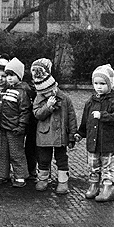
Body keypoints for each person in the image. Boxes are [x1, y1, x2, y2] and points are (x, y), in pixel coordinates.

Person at [76, 64, 114, 202]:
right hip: (93, 141)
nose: (99, 86)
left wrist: (103, 116)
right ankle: (93, 186)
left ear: (110, 84)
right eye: (96, 83)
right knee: (93, 165)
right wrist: (81, 133)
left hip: (109, 142)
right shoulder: (90, 102)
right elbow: (86, 120)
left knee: (108, 166)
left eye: (102, 83)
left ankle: (108, 189)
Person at [31, 58, 78, 194]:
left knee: (62, 159)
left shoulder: (64, 98)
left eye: (50, 91)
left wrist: (72, 135)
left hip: (61, 136)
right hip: (44, 136)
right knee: (43, 159)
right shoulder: (39, 98)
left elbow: (71, 117)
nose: (48, 94)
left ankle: (63, 182)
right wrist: (48, 107)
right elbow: (37, 114)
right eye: (44, 93)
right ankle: (43, 179)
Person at [0, 57, 31, 188]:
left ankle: (20, 176)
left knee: (16, 153)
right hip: (4, 127)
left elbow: (25, 111)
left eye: (12, 75)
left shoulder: (22, 92)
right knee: (2, 152)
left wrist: (21, 126)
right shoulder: (9, 89)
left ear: (19, 76)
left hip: (15, 129)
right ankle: (2, 174)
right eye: (7, 75)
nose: (9, 78)